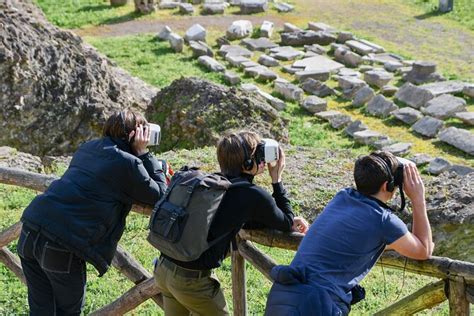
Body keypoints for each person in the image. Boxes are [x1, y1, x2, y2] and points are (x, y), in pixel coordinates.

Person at [17, 110, 169, 315]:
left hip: (30, 232)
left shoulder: (88, 147)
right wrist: (144, 153)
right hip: (60, 245)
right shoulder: (128, 162)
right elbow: (160, 195)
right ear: (134, 135)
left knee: (41, 311)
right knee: (67, 312)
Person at [153, 131, 309, 316]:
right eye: (258, 154)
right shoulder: (252, 194)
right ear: (248, 163)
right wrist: (276, 179)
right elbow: (285, 222)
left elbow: (243, 219)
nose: (262, 159)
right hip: (191, 282)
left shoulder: (215, 184)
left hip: (163, 268)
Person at [265, 151, 434, 316]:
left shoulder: (342, 197)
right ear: (386, 186)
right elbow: (424, 250)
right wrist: (418, 199)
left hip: (283, 296)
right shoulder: (383, 220)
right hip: (317, 305)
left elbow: (356, 240)